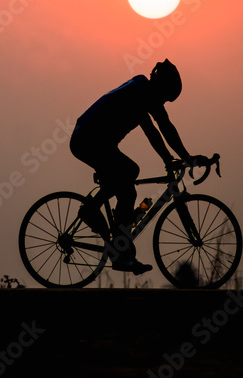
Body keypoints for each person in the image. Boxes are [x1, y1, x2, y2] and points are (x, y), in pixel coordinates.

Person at [70, 59, 194, 274]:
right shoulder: (139, 92)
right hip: (88, 139)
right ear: (159, 87)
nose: (162, 103)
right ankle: (114, 238)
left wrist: (184, 156)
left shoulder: (143, 90)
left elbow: (163, 125)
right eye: (164, 97)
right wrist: (175, 158)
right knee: (128, 178)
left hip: (95, 139)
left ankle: (120, 244)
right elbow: (155, 131)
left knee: (128, 175)